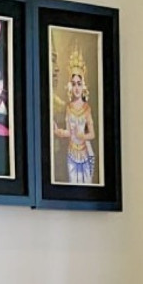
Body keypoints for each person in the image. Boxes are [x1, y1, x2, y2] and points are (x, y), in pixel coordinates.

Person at [53, 45, 97, 185]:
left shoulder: (87, 109)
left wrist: (82, 135)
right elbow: (68, 132)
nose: (76, 88)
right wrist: (58, 132)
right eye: (74, 84)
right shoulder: (68, 108)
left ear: (83, 86)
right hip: (71, 154)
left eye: (79, 84)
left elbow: (92, 134)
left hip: (84, 153)